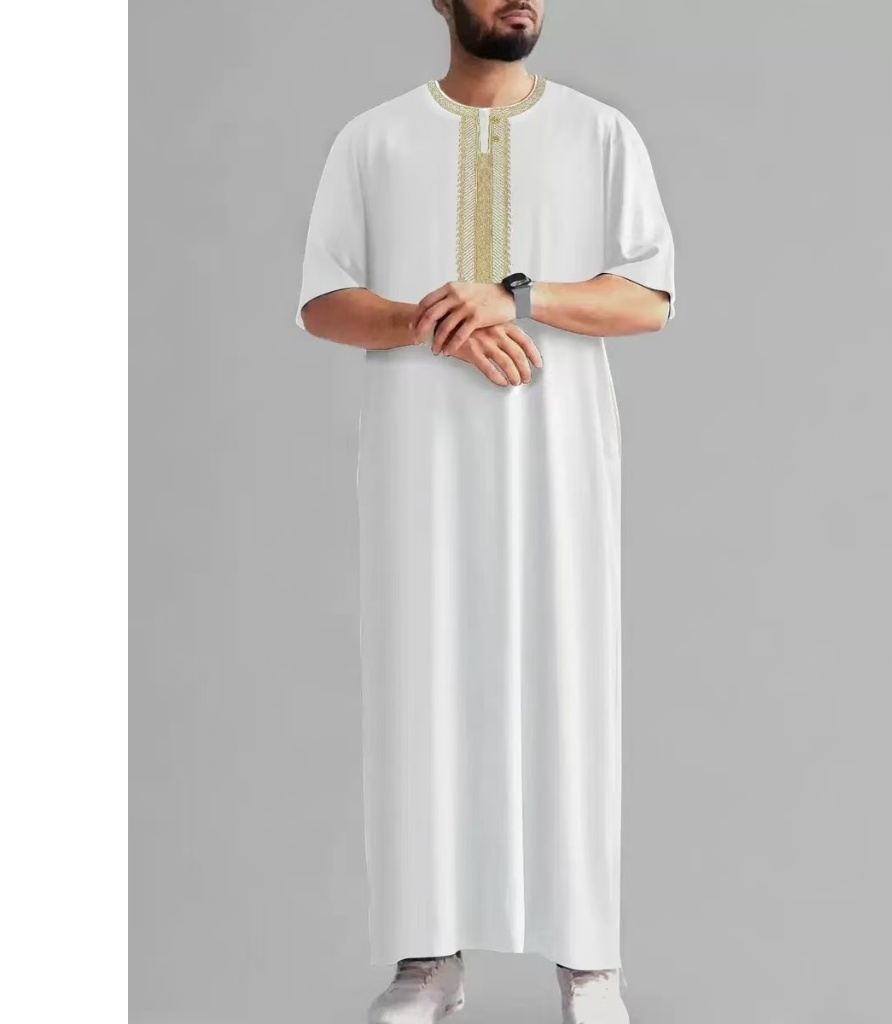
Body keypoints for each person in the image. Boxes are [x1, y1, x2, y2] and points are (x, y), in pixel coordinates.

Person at [294, 2, 675, 1021]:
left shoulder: (600, 134)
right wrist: (440, 321)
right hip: (420, 464)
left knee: (568, 685)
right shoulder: (374, 139)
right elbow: (324, 299)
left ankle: (589, 961)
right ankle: (427, 962)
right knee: (418, 691)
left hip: (559, 464)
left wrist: (515, 295)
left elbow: (648, 298)